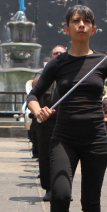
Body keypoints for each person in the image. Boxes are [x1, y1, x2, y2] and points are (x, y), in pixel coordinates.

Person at [27, 5, 107, 212]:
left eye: (86, 21)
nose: (81, 25)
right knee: (60, 195)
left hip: (96, 138)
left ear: (93, 29)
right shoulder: (57, 63)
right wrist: (38, 111)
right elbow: (34, 94)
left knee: (91, 201)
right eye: (76, 21)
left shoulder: (104, 61)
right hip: (64, 138)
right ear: (67, 28)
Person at [35, 45, 66, 202]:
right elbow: (34, 87)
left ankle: (64, 188)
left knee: (66, 156)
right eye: (56, 53)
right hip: (47, 122)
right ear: (51, 56)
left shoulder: (69, 73)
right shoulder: (43, 73)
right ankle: (48, 188)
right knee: (46, 155)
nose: (59, 55)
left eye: (62, 53)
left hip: (65, 121)